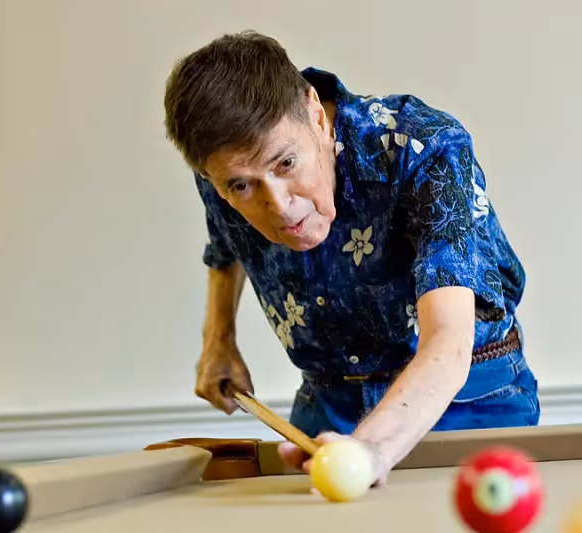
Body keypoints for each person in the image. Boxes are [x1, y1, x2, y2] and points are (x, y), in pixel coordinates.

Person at [162, 31, 539, 486]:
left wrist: (371, 449)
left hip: (469, 395)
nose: (279, 207)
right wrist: (218, 341)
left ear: (315, 115)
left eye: (286, 164)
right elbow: (226, 245)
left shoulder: (425, 146)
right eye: (242, 186)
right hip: (328, 401)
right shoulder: (222, 173)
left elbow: (448, 339)